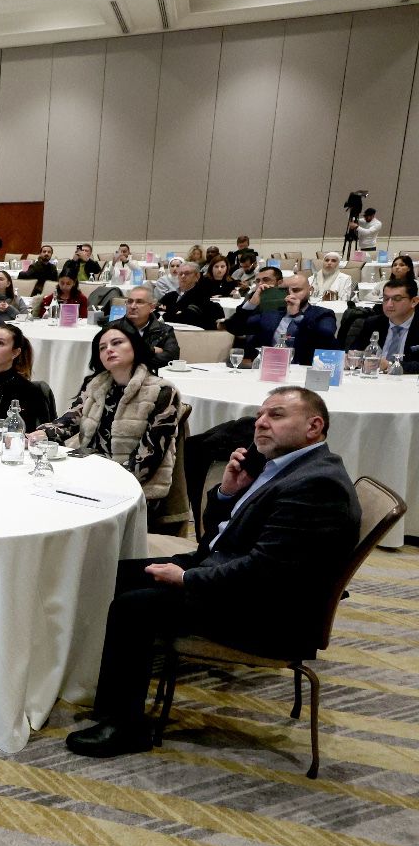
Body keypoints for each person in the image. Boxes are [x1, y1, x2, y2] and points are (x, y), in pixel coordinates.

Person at [65, 386, 358, 759]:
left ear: (314, 426)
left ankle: (124, 726)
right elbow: (222, 536)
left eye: (277, 415)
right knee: (111, 574)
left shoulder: (316, 485)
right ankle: (93, 683)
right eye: (261, 414)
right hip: (235, 577)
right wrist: (229, 493)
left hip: (270, 614)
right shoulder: (284, 467)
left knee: (134, 607)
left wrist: (187, 579)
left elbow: (265, 571)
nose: (261, 423)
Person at [30, 321, 182, 500]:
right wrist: (42, 434)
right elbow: (70, 420)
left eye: (117, 343)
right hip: (89, 473)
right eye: (102, 348)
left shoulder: (161, 391)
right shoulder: (96, 385)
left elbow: (150, 455)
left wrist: (105, 483)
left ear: (135, 346)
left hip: (135, 487)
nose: (109, 349)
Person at [224, 273, 336, 366]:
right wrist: (251, 303)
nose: (291, 295)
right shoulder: (271, 314)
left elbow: (326, 337)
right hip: (270, 369)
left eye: (296, 290)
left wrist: (298, 316)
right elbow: (234, 328)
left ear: (310, 290)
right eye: (286, 291)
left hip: (304, 370)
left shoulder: (322, 314)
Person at [348, 279, 419, 373]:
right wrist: (352, 358)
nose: (389, 304)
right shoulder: (373, 323)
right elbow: (356, 352)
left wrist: (390, 365)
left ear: (414, 301)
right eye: (385, 299)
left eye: (397, 299)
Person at [120, 286, 179, 368]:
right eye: (130, 302)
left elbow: (172, 358)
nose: (132, 306)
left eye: (139, 302)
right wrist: (152, 350)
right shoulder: (113, 328)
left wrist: (130, 355)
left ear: (152, 307)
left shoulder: (165, 330)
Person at [156, 262, 224, 329]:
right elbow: (154, 313)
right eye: (180, 274)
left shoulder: (201, 295)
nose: (183, 276)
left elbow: (186, 319)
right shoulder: (170, 295)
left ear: (197, 276)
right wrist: (174, 313)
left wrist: (166, 313)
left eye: (187, 273)